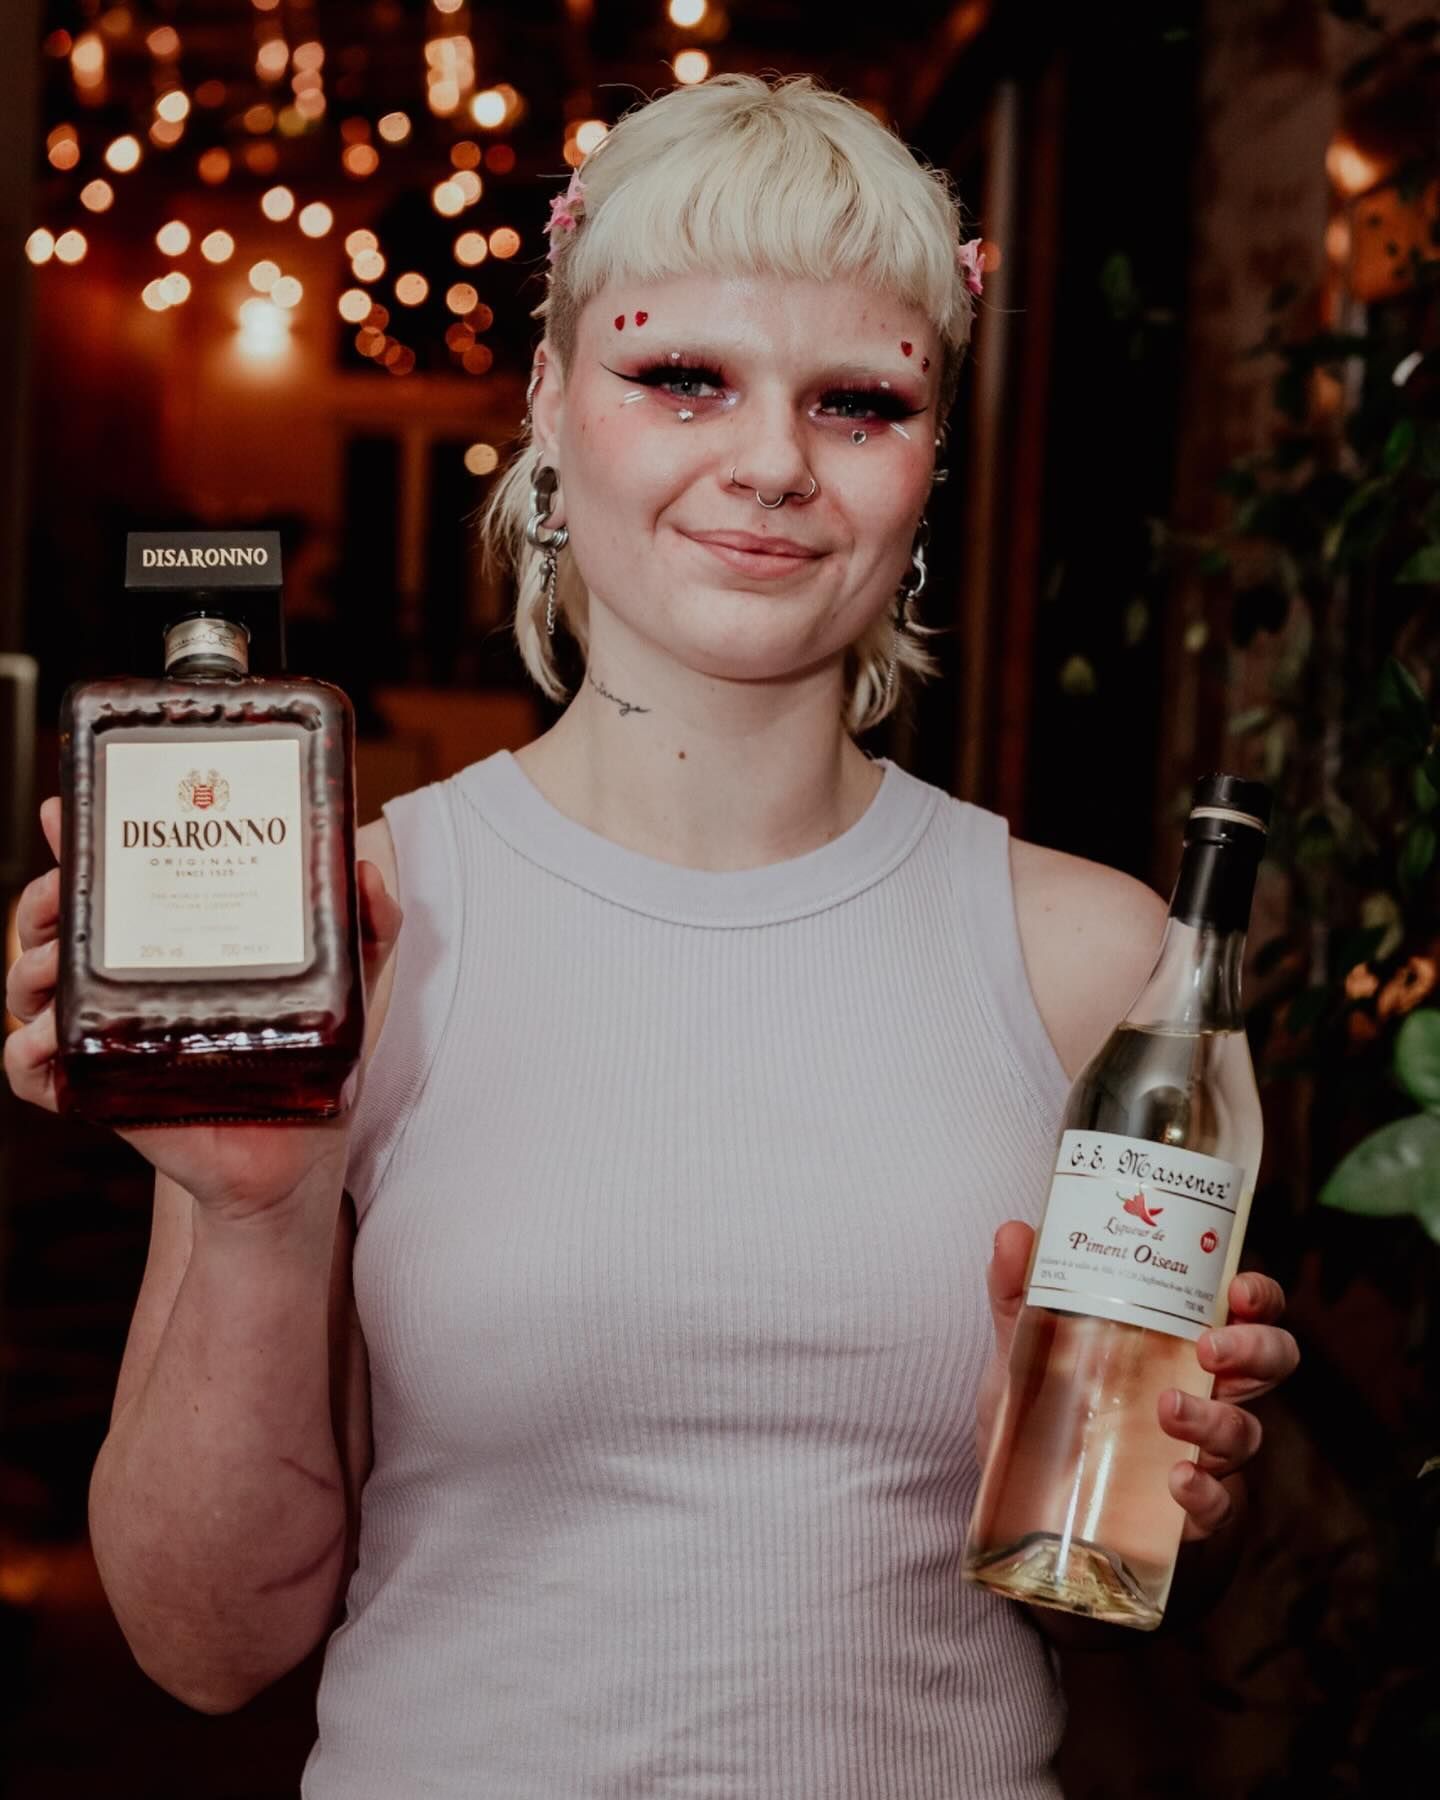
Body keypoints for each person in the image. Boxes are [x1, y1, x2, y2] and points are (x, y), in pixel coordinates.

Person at [4, 73, 1300, 1799]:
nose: (768, 462)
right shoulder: (358, 919)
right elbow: (208, 1648)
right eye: (680, 375)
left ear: (931, 462)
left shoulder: (1098, 963)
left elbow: (1118, 1591)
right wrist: (254, 1211)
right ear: (548, 400)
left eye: (858, 401)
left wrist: (1171, 1491)